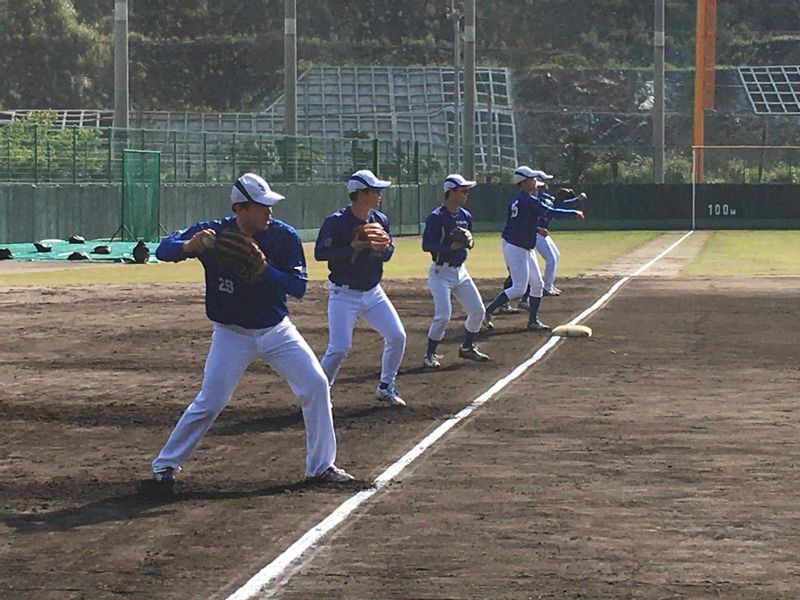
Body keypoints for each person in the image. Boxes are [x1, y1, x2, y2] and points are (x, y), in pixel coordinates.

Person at [151, 173, 354, 486]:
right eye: (262, 206)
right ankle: (165, 465)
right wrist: (189, 246)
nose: (269, 212)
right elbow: (163, 250)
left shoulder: (284, 236)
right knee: (211, 400)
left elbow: (298, 287)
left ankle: (321, 467)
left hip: (276, 331)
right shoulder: (215, 233)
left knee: (315, 384)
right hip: (231, 334)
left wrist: (265, 269)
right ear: (240, 208)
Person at [315, 169, 407, 406]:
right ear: (360, 194)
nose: (379, 195)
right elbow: (320, 253)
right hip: (343, 293)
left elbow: (388, 253)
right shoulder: (336, 222)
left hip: (373, 292)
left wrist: (383, 248)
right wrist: (352, 248)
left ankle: (386, 386)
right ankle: (319, 394)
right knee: (339, 348)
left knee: (397, 336)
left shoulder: (380, 219)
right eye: (375, 191)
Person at [482, 166, 585, 331]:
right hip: (516, 247)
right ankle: (486, 312)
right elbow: (550, 212)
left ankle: (533, 321)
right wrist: (573, 212)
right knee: (519, 287)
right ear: (522, 182)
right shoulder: (527, 200)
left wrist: (535, 230)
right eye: (531, 179)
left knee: (537, 284)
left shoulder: (518, 199)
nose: (534, 182)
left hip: (523, 246)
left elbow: (519, 223)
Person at [421, 174, 489, 368]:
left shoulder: (465, 216)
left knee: (478, 312)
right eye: (463, 190)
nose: (466, 194)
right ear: (450, 192)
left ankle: (467, 347)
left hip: (461, 271)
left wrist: (468, 243)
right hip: (440, 273)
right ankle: (430, 355)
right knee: (443, 316)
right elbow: (426, 245)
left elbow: (469, 240)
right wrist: (448, 248)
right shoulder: (436, 217)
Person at [530, 169, 587, 296]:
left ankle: (548, 285)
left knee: (555, 256)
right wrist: (574, 211)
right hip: (536, 232)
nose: (547, 183)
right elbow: (553, 210)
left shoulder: (545, 196)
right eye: (545, 180)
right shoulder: (534, 198)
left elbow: (557, 205)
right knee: (550, 258)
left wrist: (577, 200)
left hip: (543, 232)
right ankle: (546, 287)